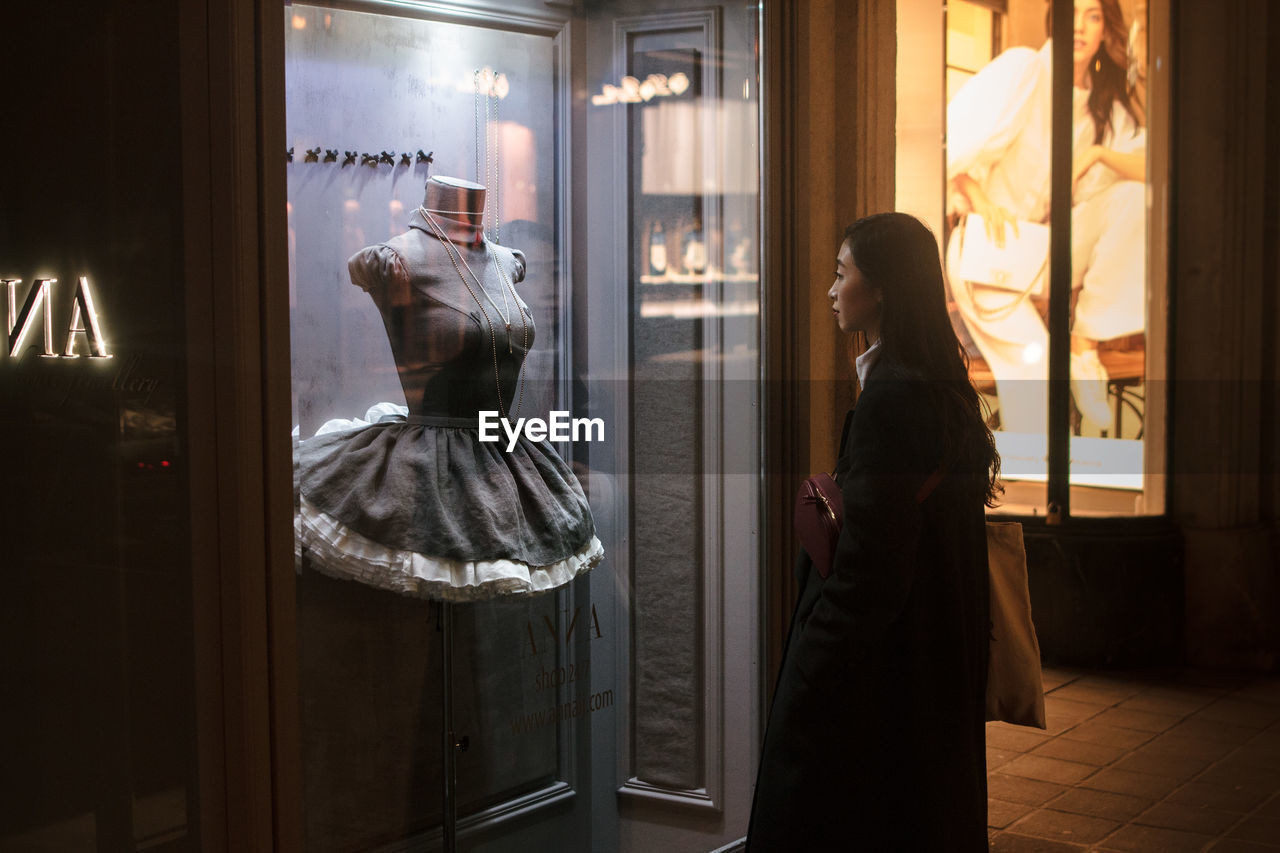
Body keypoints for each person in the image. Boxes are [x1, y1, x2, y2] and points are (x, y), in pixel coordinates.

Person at [746, 213, 999, 851]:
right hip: (930, 660)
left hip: (886, 673)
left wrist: (811, 664)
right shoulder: (943, 383)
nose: (831, 290)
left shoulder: (894, 397)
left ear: (881, 286)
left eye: (841, 273)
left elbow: (871, 570)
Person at [946, 0, 1146, 433]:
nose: (1079, 26)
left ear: (1103, 28)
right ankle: (1024, 481)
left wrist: (1096, 154)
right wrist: (981, 198)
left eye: (1092, 15)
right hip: (992, 251)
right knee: (1037, 383)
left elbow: (1155, 170)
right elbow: (953, 145)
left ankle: (1084, 342)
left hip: (1047, 253)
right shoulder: (1024, 70)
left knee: (1132, 195)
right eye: (1071, 12)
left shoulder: (1106, 109)